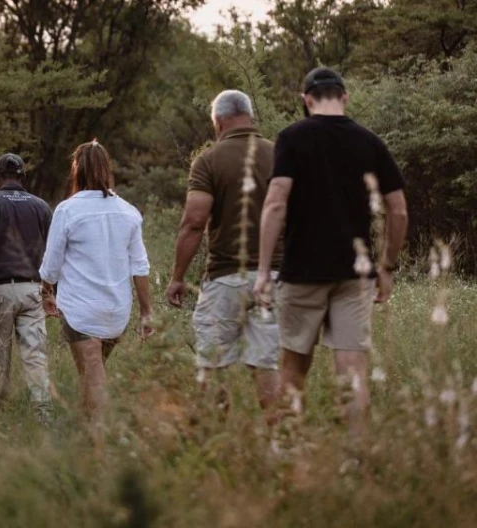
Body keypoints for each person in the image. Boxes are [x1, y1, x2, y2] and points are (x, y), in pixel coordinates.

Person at [255, 67, 408, 440]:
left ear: (307, 100)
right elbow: (399, 210)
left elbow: (275, 203)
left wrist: (262, 271)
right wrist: (386, 266)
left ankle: (286, 450)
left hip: (302, 272)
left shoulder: (292, 137)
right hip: (354, 276)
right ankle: (355, 460)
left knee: (293, 369)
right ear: (344, 97)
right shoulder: (369, 142)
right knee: (353, 369)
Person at [165, 90, 282, 413]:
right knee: (266, 365)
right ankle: (282, 446)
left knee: (213, 365)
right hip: (273, 278)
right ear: (250, 115)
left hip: (225, 278)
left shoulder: (208, 160)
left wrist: (177, 277)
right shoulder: (278, 154)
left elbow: (194, 221)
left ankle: (216, 446)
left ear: (217, 122)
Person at [40, 140, 153, 422]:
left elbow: (51, 265)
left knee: (92, 373)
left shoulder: (67, 210)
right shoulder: (129, 212)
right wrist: (146, 311)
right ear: (107, 169)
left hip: (80, 310)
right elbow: (139, 266)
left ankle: (104, 439)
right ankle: (86, 437)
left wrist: (46, 291)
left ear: (76, 169)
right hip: (117, 311)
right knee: (92, 372)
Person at [0, 153, 54, 418]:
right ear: (22, 177)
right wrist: (51, 291)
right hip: (32, 289)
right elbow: (52, 253)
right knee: (35, 356)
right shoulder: (41, 206)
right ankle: (44, 413)